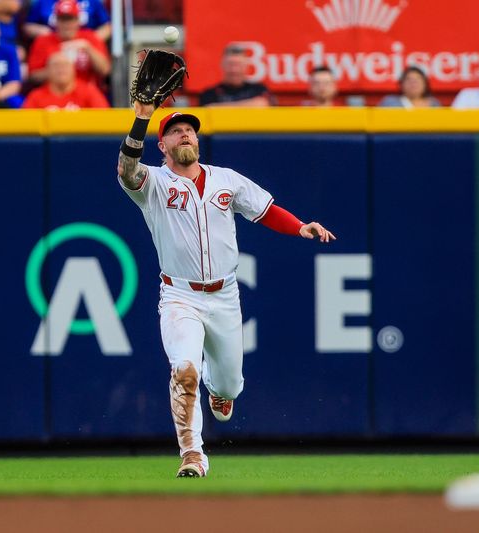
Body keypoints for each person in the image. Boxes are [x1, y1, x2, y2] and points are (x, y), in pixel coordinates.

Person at [116, 102, 336, 478]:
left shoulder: (226, 179)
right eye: (175, 131)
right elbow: (126, 168)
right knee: (184, 370)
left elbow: (265, 210)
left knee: (229, 386)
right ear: (162, 146)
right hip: (179, 295)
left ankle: (220, 387)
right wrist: (141, 117)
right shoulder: (152, 184)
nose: (185, 134)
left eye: (190, 130)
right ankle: (192, 454)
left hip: (224, 297)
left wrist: (299, 226)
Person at [27, 0, 111, 86]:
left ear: (78, 20)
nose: (67, 25)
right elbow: (33, 77)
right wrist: (57, 68)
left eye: (71, 19)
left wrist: (88, 48)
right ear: (56, 21)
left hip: (86, 93)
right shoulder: (43, 41)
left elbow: (105, 70)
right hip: (53, 94)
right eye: (63, 20)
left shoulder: (90, 38)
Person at [22, 51, 110, 109]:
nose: (61, 69)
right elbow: (25, 125)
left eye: (65, 65)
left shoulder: (89, 92)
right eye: (56, 65)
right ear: (47, 71)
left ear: (73, 70)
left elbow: (105, 119)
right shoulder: (36, 97)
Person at [198, 45, 272, 107]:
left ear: (246, 66)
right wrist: (250, 105)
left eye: (238, 65)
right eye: (230, 64)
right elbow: (207, 109)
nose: (234, 70)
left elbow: (263, 104)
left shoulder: (258, 89)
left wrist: (219, 107)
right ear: (222, 65)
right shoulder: (210, 94)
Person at [23, 0, 112, 41]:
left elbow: (107, 26)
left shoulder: (92, 2)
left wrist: (90, 40)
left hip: (84, 48)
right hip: (51, 46)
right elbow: (28, 26)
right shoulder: (43, 2)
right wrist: (44, 33)